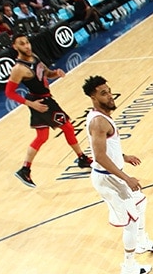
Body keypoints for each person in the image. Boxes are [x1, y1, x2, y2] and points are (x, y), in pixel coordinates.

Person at [83, 75, 153, 274]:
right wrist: (126, 177)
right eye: (103, 93)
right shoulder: (99, 122)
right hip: (109, 179)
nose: (109, 96)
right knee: (130, 222)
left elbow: (105, 149)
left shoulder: (100, 117)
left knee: (141, 202)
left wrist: (123, 157)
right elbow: (99, 156)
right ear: (92, 96)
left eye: (109, 91)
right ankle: (129, 267)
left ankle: (142, 242)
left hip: (112, 174)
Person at [5, 33, 91, 187]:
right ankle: (82, 158)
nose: (27, 46)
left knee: (42, 136)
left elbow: (46, 73)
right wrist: (32, 105)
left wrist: (55, 73)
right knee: (68, 127)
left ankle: (25, 169)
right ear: (15, 47)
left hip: (43, 99)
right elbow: (9, 93)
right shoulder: (18, 68)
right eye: (22, 44)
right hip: (41, 102)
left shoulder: (34, 57)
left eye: (27, 42)